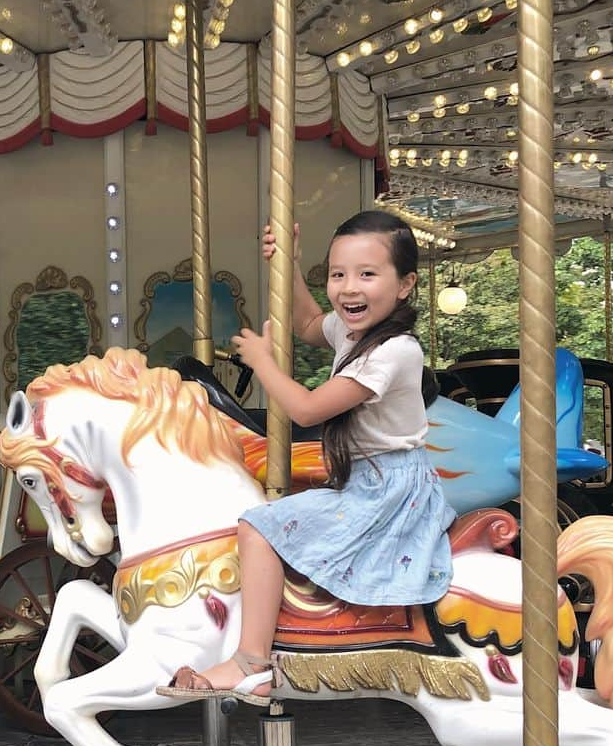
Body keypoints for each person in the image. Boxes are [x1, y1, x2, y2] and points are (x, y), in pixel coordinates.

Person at [161, 209, 456, 704]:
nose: (348, 288)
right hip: (364, 475)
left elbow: (308, 406)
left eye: (367, 274)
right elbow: (304, 322)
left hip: (387, 488)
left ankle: (250, 664)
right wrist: (291, 266)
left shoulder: (395, 351)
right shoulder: (353, 331)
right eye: (338, 274)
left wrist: (263, 363)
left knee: (259, 525)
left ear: (404, 285)